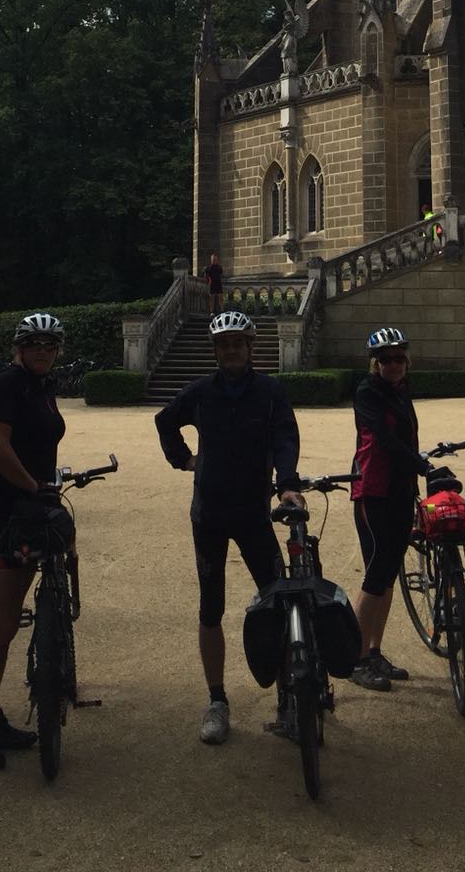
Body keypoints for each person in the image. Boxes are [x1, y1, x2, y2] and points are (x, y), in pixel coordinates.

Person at [155, 309, 304, 746]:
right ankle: (217, 700)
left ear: (250, 346)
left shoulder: (270, 391)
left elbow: (285, 439)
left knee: (279, 599)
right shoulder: (201, 392)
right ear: (216, 350)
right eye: (224, 344)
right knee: (211, 607)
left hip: (254, 512)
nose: (231, 350)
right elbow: (165, 420)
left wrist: (287, 484)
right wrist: (183, 459)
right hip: (210, 514)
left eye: (238, 343)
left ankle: (289, 693)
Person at [0, 312, 67, 770]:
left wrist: (46, 484)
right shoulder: (8, 383)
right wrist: (31, 484)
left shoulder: (42, 385)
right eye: (34, 344)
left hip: (30, 508)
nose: (43, 350)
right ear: (19, 348)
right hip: (0, 512)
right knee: (1, 623)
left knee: (9, 622)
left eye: (50, 344)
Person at [348, 327, 430, 691]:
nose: (393, 365)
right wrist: (423, 466)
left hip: (399, 491)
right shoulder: (368, 392)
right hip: (374, 491)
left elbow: (407, 440)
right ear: (375, 363)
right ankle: (354, 658)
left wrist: (417, 473)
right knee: (375, 573)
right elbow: (384, 439)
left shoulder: (400, 389)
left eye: (398, 358)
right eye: (386, 359)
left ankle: (374, 650)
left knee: (388, 575)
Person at [205, 252, 224, 316]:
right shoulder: (209, 268)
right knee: (211, 298)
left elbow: (221, 274)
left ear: (217, 260)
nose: (214, 260)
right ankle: (211, 311)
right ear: (211, 260)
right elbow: (207, 276)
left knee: (220, 298)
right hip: (212, 284)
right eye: (213, 259)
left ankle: (222, 311)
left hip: (218, 283)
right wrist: (208, 281)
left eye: (215, 259)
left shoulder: (219, 267)